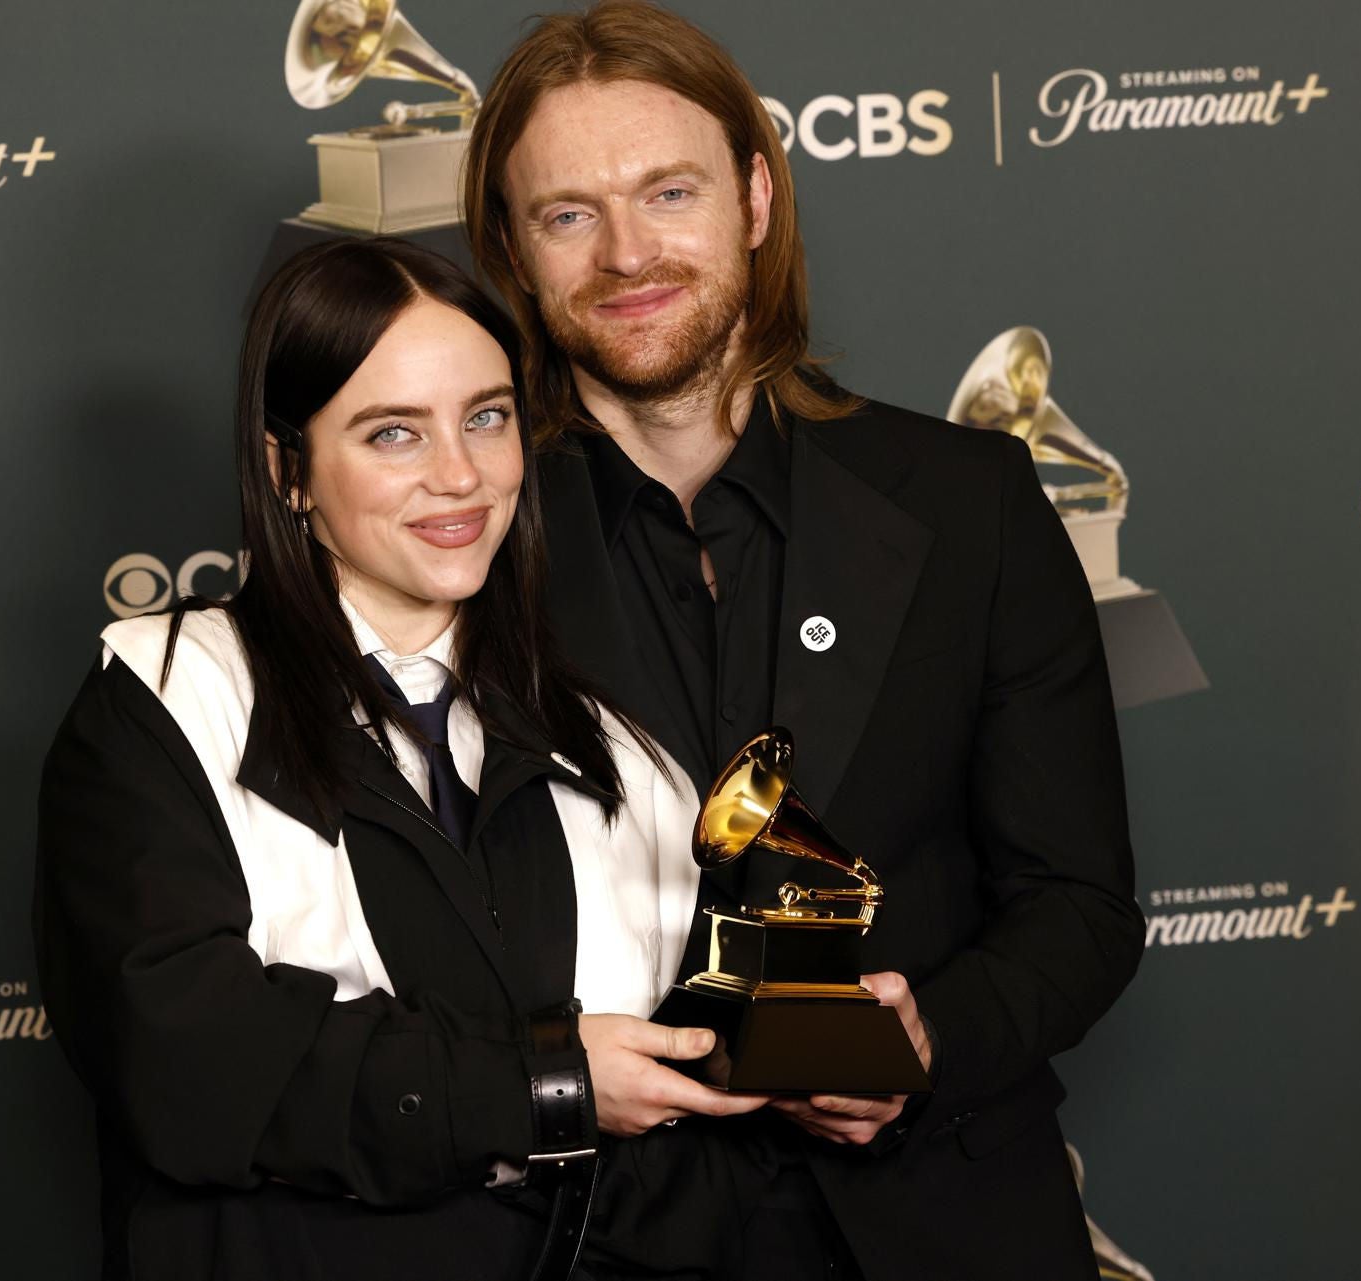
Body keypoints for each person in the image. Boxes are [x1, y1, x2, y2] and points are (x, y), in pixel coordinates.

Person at [462, 4, 1145, 1278]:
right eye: (568, 214)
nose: (627, 252)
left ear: (757, 200)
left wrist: (929, 1039)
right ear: (511, 247)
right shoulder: (462, 546)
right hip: (599, 1236)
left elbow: (1081, 907)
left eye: (670, 192)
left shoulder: (971, 505)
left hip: (947, 1222)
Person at [32, 236, 771, 1281]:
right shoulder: (166, 698)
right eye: (394, 434)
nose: (459, 474)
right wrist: (538, 1085)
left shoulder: (608, 731)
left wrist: (805, 1055)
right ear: (289, 470)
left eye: (487, 417)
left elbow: (684, 1069)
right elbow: (186, 1058)